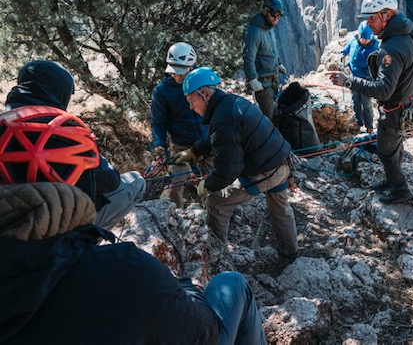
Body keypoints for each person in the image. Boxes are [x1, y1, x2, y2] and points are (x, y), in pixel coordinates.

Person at [0, 105, 267, 344]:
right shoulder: (123, 270)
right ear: (85, 186)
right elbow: (202, 330)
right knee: (232, 284)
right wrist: (182, 288)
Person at [4, 60, 145, 229]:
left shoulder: (3, 126)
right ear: (59, 93)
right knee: (136, 181)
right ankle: (87, 245)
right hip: (59, 232)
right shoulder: (64, 133)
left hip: (7, 231)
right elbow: (110, 181)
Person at [176, 67, 298, 260]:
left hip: (266, 169)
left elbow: (228, 171)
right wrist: (195, 151)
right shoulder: (230, 102)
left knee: (217, 203)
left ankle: (217, 257)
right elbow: (218, 137)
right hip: (281, 159)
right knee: (280, 206)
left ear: (206, 94)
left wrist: (206, 185)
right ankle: (290, 253)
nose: (191, 107)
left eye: (192, 101)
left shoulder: (223, 118)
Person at [327, 0, 413, 204]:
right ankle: (392, 181)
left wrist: (349, 81)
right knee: (393, 147)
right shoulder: (407, 35)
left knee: (385, 150)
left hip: (394, 108)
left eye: (372, 18)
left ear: (386, 15)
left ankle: (400, 189)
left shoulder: (392, 47)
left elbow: (383, 89)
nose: (369, 24)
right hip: (403, 104)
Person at [151, 42, 210, 207]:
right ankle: (170, 213)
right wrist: (159, 146)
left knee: (213, 181)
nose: (177, 77)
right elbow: (158, 122)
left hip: (207, 139)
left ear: (191, 67)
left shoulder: (204, 83)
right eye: (174, 73)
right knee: (177, 180)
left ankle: (213, 213)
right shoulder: (162, 92)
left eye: (181, 74)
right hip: (181, 144)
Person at [243, 0, 287, 119]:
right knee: (268, 117)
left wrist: (278, 63)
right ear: (265, 11)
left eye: (278, 17)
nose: (276, 19)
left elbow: (272, 50)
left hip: (273, 78)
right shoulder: (254, 31)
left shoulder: (269, 28)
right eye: (274, 15)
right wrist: (252, 79)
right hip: (262, 82)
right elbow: (248, 57)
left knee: (276, 110)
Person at [341, 20, 379, 133]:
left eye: (366, 39)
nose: (364, 41)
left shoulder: (373, 49)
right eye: (362, 38)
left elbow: (373, 67)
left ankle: (369, 127)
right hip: (353, 77)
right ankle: (358, 121)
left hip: (365, 79)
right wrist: (343, 53)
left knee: (366, 103)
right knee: (355, 100)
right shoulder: (355, 40)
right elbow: (349, 47)